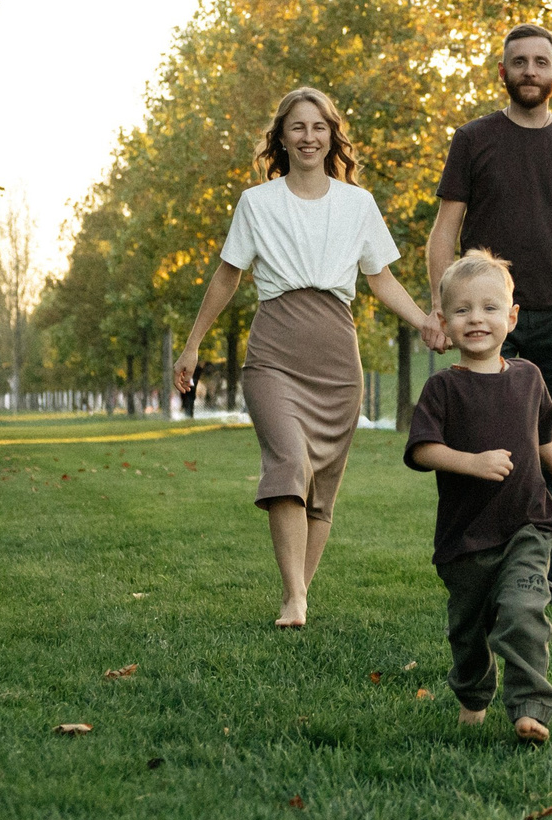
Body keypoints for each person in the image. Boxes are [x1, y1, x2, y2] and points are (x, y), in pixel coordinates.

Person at [175, 86, 439, 630]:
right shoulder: (257, 202)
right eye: (297, 127)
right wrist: (193, 342)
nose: (309, 136)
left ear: (331, 135)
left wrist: (424, 321)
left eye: (318, 127)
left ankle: (297, 595)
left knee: (321, 485)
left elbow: (380, 277)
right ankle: (294, 596)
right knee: (290, 463)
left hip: (337, 359)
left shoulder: (357, 204)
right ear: (282, 138)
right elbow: (229, 274)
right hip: (274, 350)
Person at [427, 24, 552, 602]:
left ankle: (539, 577)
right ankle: (481, 565)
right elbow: (445, 232)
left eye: (541, 61)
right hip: (490, 321)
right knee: (489, 445)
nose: (530, 70)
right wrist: (442, 309)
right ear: (503, 73)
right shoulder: (473, 139)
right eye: (519, 61)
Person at [404, 248, 552, 744]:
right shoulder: (443, 388)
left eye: (489, 308)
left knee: (523, 607)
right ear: (444, 321)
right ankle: (472, 694)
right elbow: (421, 450)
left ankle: (531, 707)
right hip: (467, 536)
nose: (476, 319)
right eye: (462, 310)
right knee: (468, 634)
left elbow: (543, 432)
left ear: (511, 317)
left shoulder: (528, 377)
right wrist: (472, 462)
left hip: (528, 522)